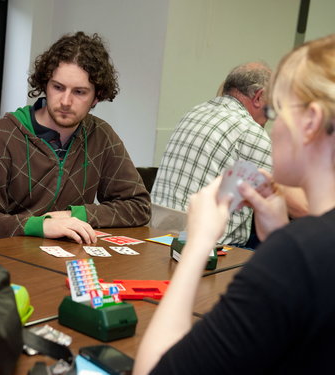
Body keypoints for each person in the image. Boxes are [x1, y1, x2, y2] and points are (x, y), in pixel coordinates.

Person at [134, 33, 335, 374]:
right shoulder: (301, 249)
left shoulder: (299, 253)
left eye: (278, 110)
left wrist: (198, 243)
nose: (270, 129)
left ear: (311, 121)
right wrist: (277, 237)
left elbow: (154, 370)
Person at [0, 31, 151, 244]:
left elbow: (138, 206)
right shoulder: (0, 137)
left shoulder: (100, 136)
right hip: (2, 259)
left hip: (59, 262)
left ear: (97, 97)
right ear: (45, 85)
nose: (65, 101)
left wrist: (75, 215)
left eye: (79, 92)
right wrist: (41, 225)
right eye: (58, 87)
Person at [151, 62, 273, 246]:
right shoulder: (251, 132)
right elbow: (275, 199)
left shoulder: (193, 112)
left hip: (157, 232)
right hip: (211, 246)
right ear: (259, 97)